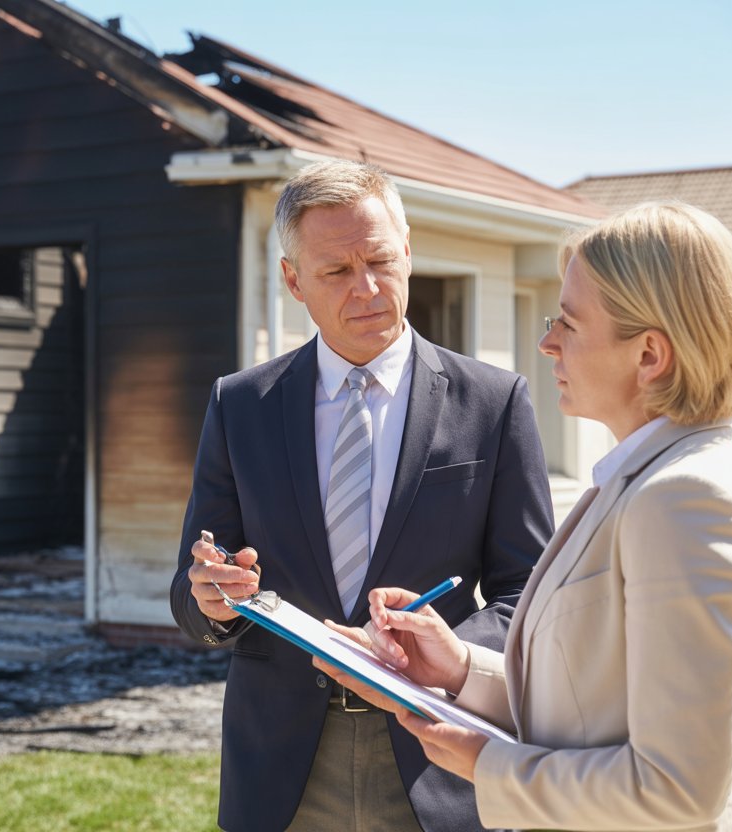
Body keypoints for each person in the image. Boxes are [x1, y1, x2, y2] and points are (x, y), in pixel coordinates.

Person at [318, 200, 732, 831]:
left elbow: (678, 787)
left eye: (568, 323)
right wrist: (457, 668)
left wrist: (490, 764)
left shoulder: (685, 499)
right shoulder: (643, 479)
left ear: (649, 356)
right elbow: (593, 706)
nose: (546, 343)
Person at [170, 159, 555, 832]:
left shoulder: (494, 404)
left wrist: (436, 654)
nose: (368, 289)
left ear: (407, 252)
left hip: (439, 758)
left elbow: (527, 595)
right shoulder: (240, 405)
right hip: (283, 771)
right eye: (337, 272)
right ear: (293, 280)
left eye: (380, 260)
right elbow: (193, 590)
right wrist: (211, 597)